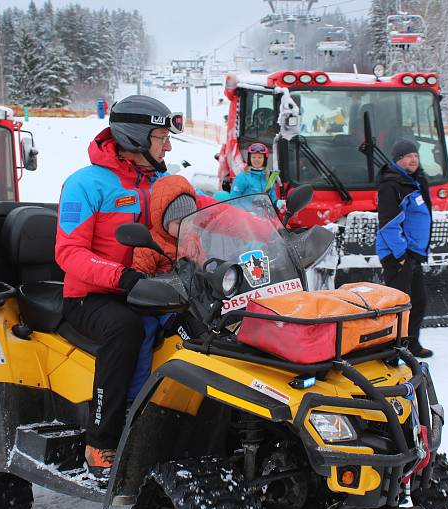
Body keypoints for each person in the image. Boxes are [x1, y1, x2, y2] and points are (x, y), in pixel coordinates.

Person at [55, 95, 200, 479]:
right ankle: (101, 441)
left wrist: (264, 227)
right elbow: (69, 253)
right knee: (126, 329)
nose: (167, 146)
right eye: (160, 137)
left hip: (153, 288)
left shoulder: (160, 184)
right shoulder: (84, 184)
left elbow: (206, 209)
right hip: (93, 297)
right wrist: (122, 277)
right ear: (135, 138)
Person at [126, 175, 198, 401]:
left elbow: (202, 265)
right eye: (179, 222)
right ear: (163, 220)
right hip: (157, 306)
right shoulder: (149, 244)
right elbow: (140, 279)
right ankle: (135, 395)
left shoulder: (192, 239)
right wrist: (154, 287)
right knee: (144, 333)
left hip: (190, 300)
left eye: (191, 219)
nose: (186, 226)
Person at [375, 139, 433, 359]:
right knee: (399, 305)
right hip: (397, 253)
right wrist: (400, 255)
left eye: (416, 156)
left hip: (412, 253)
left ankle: (410, 344)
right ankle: (392, 350)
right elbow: (389, 224)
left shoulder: (414, 182)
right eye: (408, 156)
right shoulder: (392, 184)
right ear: (398, 159)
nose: (413, 160)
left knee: (418, 300)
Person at [229, 143, 283, 208]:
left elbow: (272, 200)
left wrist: (278, 203)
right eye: (253, 157)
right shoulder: (242, 177)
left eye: (260, 157)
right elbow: (234, 200)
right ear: (250, 159)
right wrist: (248, 210)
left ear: (264, 159)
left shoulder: (269, 178)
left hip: (265, 217)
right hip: (246, 216)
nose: (256, 160)